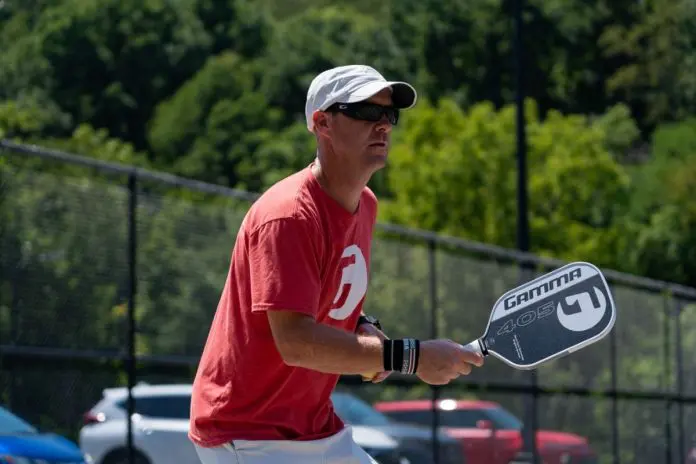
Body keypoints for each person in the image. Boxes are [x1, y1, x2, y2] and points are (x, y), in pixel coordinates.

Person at [188, 64, 485, 464]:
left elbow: (323, 294)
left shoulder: (365, 205)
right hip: (248, 435)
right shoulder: (289, 215)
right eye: (365, 112)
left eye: (389, 115)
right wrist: (410, 357)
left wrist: (363, 329)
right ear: (322, 122)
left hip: (313, 430)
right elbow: (295, 342)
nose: (383, 126)